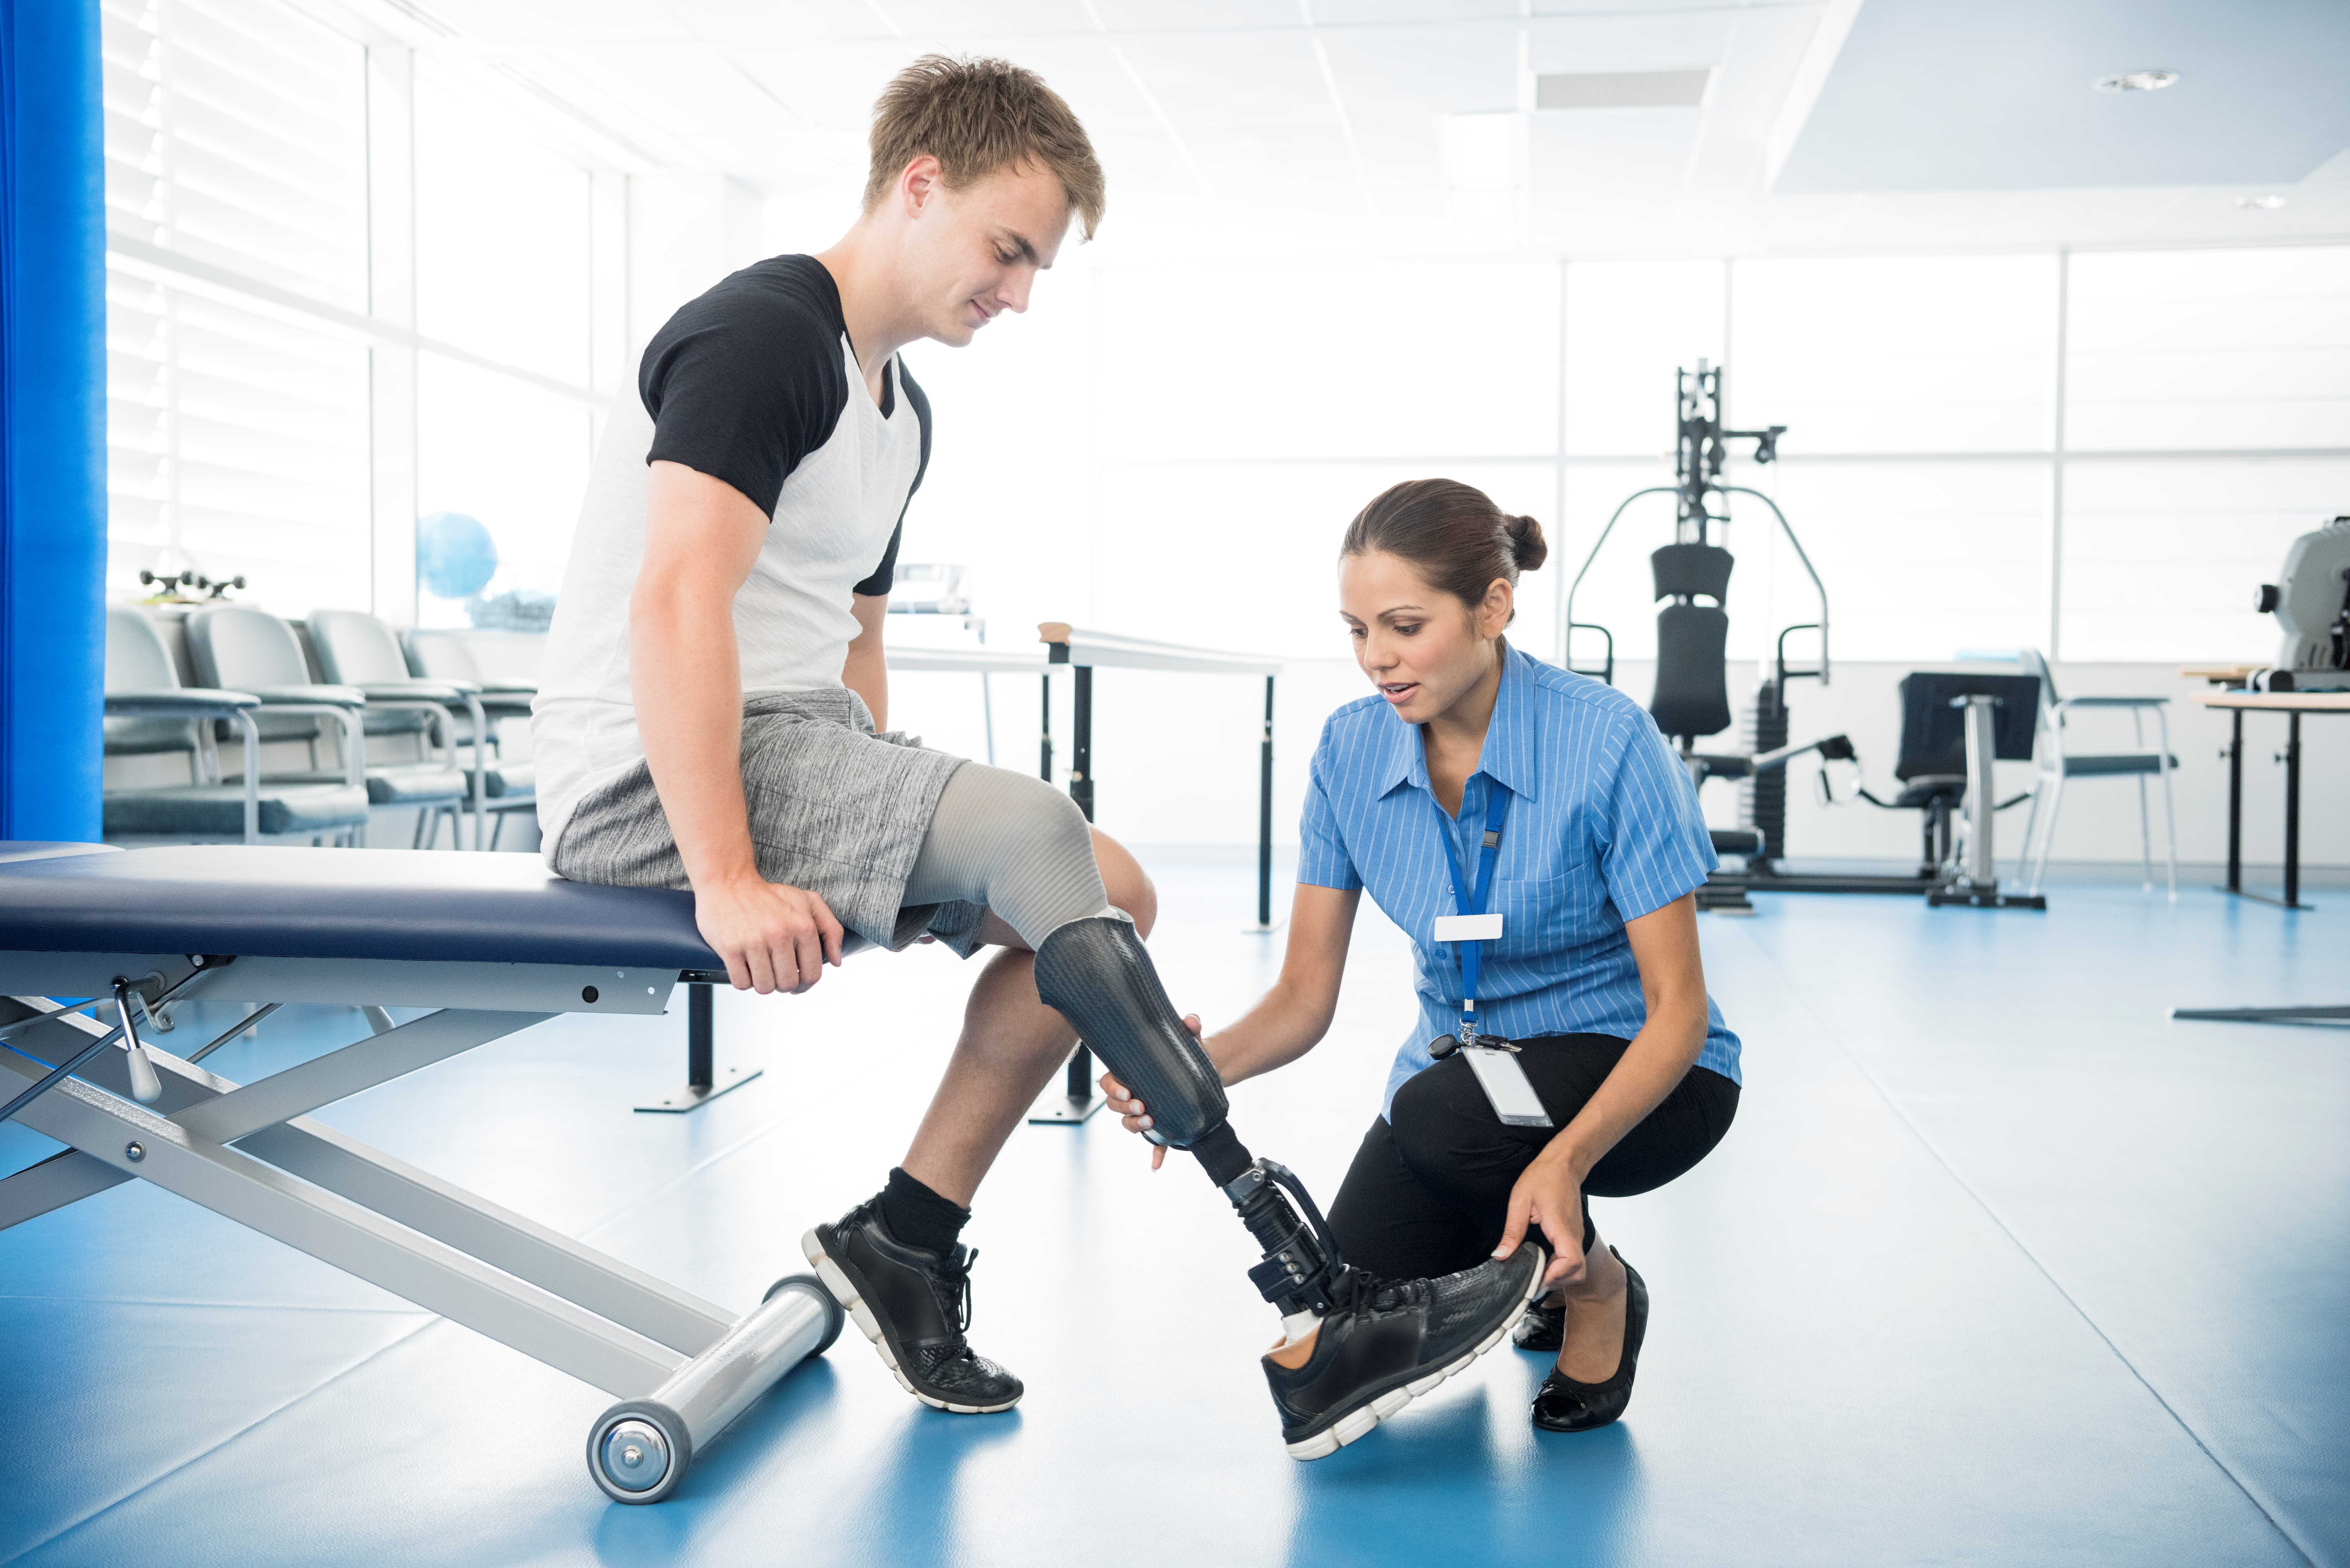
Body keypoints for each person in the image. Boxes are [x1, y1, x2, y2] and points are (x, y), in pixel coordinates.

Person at [531, 57, 1542, 1448]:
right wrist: (725, 876)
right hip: (644, 774)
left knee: (1107, 890)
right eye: (1007, 251)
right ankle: (1310, 1290)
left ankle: (905, 1235)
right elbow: (674, 601)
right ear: (918, 182)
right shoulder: (762, 334)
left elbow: (852, 643)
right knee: (1035, 830)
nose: (1015, 294)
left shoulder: (900, 407)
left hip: (788, 745)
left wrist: (876, 816)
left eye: (1035, 269)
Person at [1103, 478, 1742, 1438]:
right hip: (1465, 1090)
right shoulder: (1351, 752)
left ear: (1493, 605)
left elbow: (1678, 1010)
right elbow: (1303, 995)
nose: (1377, 660)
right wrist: (1186, 1074)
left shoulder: (1608, 740)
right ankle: (1535, 1251)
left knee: (1444, 1112)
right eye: (1358, 630)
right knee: (1353, 1301)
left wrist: (1564, 1161)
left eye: (1404, 626)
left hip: (1644, 1068)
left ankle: (1602, 1288)